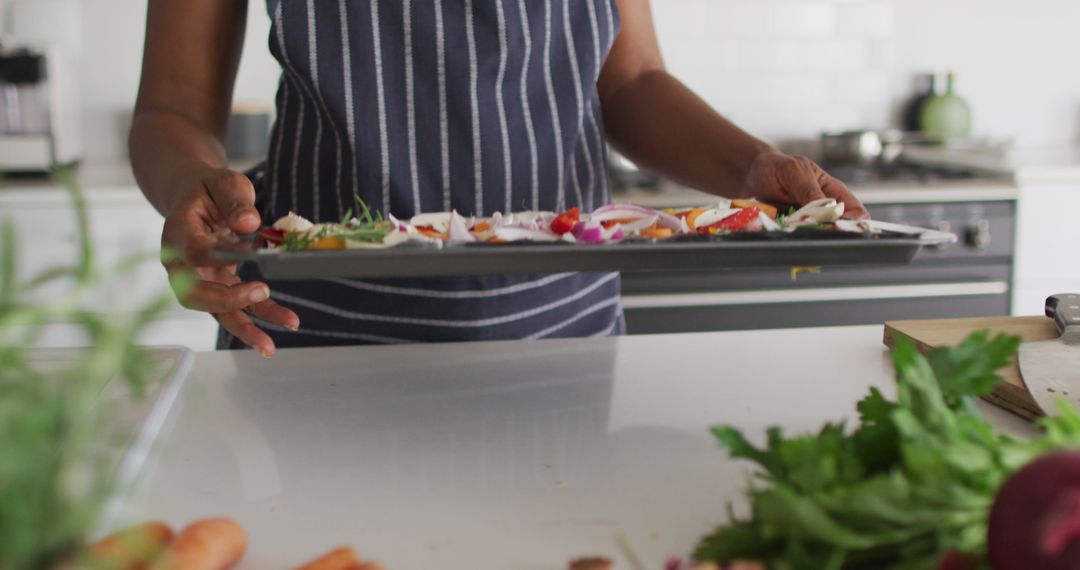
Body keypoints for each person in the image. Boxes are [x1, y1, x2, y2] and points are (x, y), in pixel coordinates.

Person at [131, 0, 869, 357]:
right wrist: (189, 185)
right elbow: (173, 106)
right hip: (318, 338)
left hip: (560, 333)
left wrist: (749, 165)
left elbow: (632, 80)